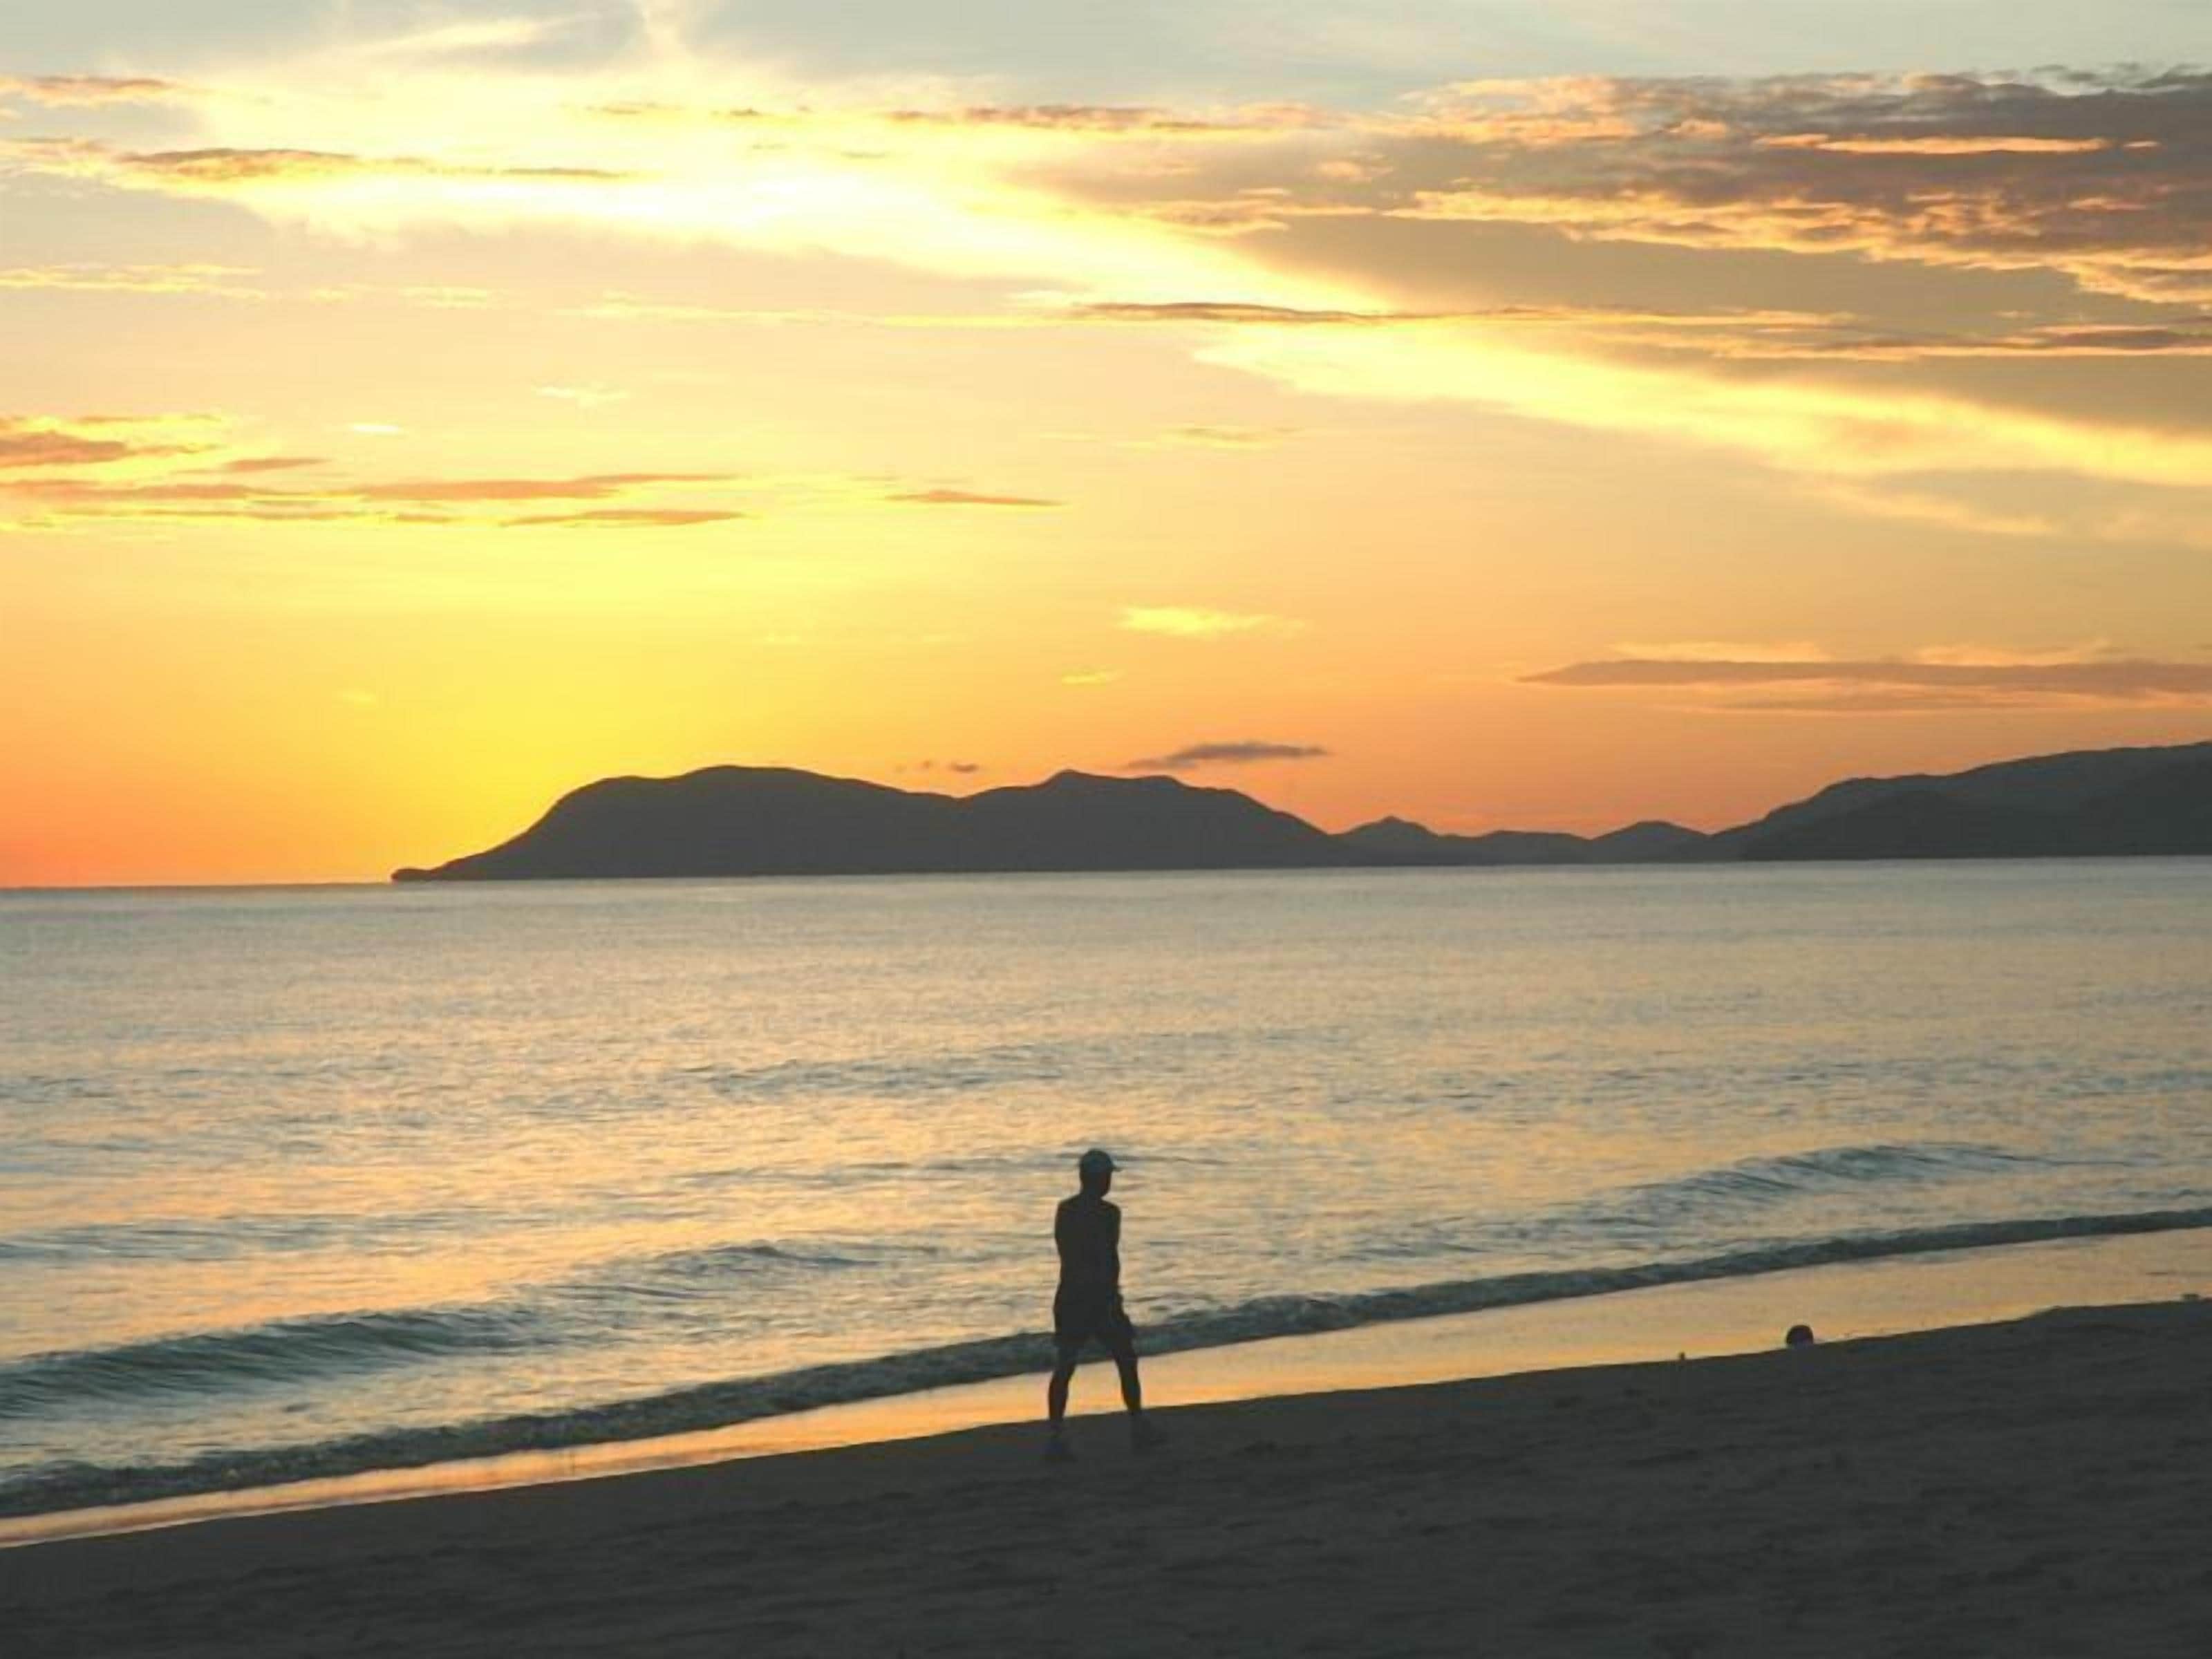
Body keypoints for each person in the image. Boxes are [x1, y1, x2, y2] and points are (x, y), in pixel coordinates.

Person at [1044, 1147, 1163, 1461]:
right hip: (1097, 1298)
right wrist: (1112, 1297)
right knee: (1125, 1358)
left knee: (1066, 1364)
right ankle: (1138, 1426)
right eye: (1107, 1177)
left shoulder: (1065, 1211)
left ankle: (1056, 1436)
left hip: (1070, 1296)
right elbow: (1110, 1259)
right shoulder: (1110, 1214)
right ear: (1099, 1180)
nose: (1110, 1182)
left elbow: (1068, 1254)